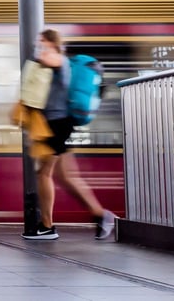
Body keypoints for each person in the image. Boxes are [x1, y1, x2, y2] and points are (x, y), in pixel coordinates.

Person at [23, 28, 116, 241]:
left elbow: (45, 58)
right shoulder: (58, 60)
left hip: (57, 124)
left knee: (43, 174)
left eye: (42, 40)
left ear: (52, 43)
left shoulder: (59, 59)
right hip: (56, 123)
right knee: (65, 177)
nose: (39, 44)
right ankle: (101, 215)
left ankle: (46, 226)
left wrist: (42, 51)